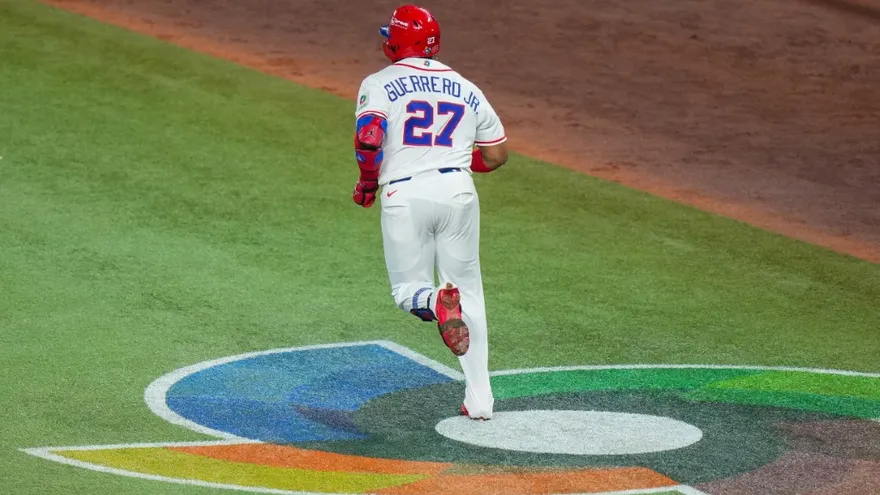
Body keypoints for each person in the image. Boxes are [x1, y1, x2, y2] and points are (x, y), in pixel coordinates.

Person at [351, 4, 508, 420]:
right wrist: (454, 162)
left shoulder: (381, 82)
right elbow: (496, 155)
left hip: (405, 194)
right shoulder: (466, 87)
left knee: (409, 292)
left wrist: (367, 182)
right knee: (470, 293)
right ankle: (481, 399)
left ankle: (438, 302)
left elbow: (369, 139)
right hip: (459, 191)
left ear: (400, 42)